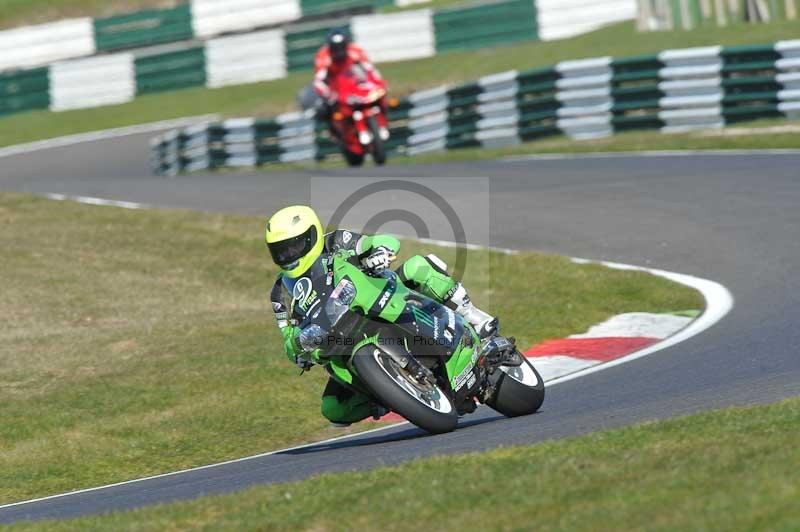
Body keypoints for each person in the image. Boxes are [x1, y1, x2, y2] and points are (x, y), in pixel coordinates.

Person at [265, 205, 498, 426]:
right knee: (333, 408)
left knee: (418, 267)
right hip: (337, 340)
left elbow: (383, 241)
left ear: (312, 236)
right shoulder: (280, 292)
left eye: (293, 246)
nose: (288, 254)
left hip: (382, 299)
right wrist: (298, 347)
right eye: (280, 250)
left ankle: (473, 317)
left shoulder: (336, 241)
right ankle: (389, 395)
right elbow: (287, 335)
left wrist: (380, 252)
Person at [313, 28, 390, 141]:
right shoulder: (322, 56)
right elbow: (319, 80)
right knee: (323, 109)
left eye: (341, 46)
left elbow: (369, 69)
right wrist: (329, 94)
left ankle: (383, 123)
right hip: (335, 86)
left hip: (355, 83)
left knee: (381, 95)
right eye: (335, 47)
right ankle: (335, 133)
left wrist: (379, 83)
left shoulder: (355, 50)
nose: (339, 50)